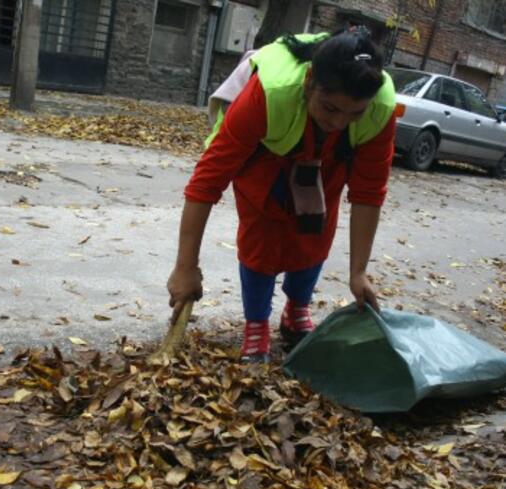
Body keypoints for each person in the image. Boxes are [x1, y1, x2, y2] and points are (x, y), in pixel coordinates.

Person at [166, 27, 397, 363]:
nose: (339, 121)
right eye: (330, 108)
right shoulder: (270, 93)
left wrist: (358, 272)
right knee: (262, 239)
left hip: (329, 160)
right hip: (266, 154)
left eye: (353, 114)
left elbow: (369, 192)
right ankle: (257, 324)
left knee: (316, 231)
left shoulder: (380, 106)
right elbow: (206, 182)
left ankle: (296, 311)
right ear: (308, 83)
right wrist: (186, 266)